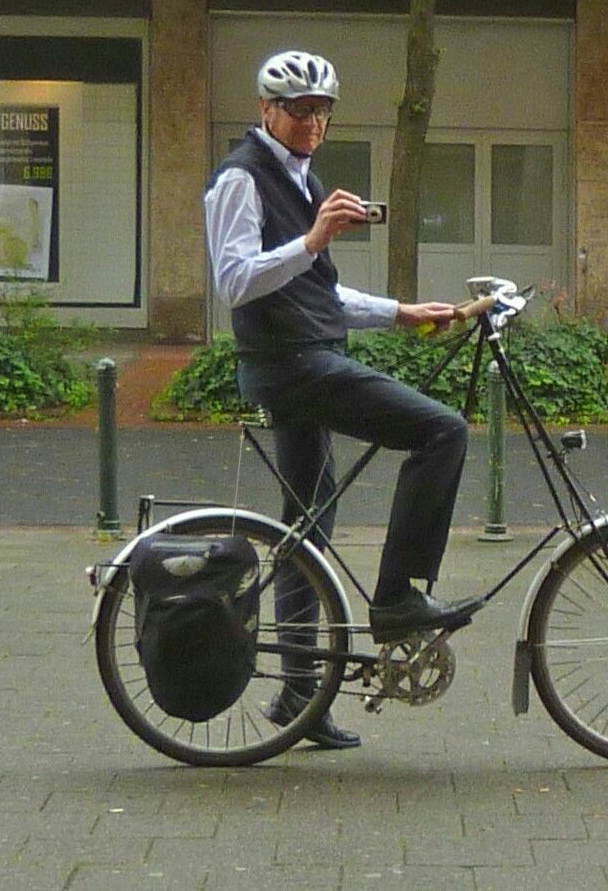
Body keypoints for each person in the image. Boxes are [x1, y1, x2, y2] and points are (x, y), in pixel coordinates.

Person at [204, 50, 477, 750]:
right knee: (441, 431)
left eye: (322, 109)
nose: (313, 121)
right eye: (299, 110)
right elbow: (235, 282)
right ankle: (396, 597)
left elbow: (317, 295)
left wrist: (400, 312)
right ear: (266, 110)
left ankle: (300, 694)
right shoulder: (240, 177)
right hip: (290, 366)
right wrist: (313, 236)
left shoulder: (302, 178)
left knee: (305, 528)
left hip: (306, 354)